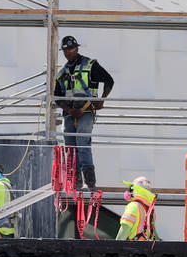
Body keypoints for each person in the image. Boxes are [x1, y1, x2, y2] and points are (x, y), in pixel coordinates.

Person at [53, 35, 114, 190]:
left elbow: (109, 80)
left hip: (86, 111)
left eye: (71, 49)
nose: (68, 53)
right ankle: (76, 183)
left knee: (82, 143)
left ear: (77, 48)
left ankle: (90, 183)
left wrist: (102, 99)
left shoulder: (90, 65)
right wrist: (69, 110)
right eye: (66, 50)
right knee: (71, 148)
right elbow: (57, 97)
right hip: (69, 114)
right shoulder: (61, 73)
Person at [117, 176, 160, 241]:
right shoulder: (151, 209)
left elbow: (125, 228)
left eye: (131, 189)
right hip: (147, 246)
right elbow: (154, 233)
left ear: (136, 189)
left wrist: (114, 247)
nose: (129, 191)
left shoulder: (133, 206)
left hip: (135, 247)